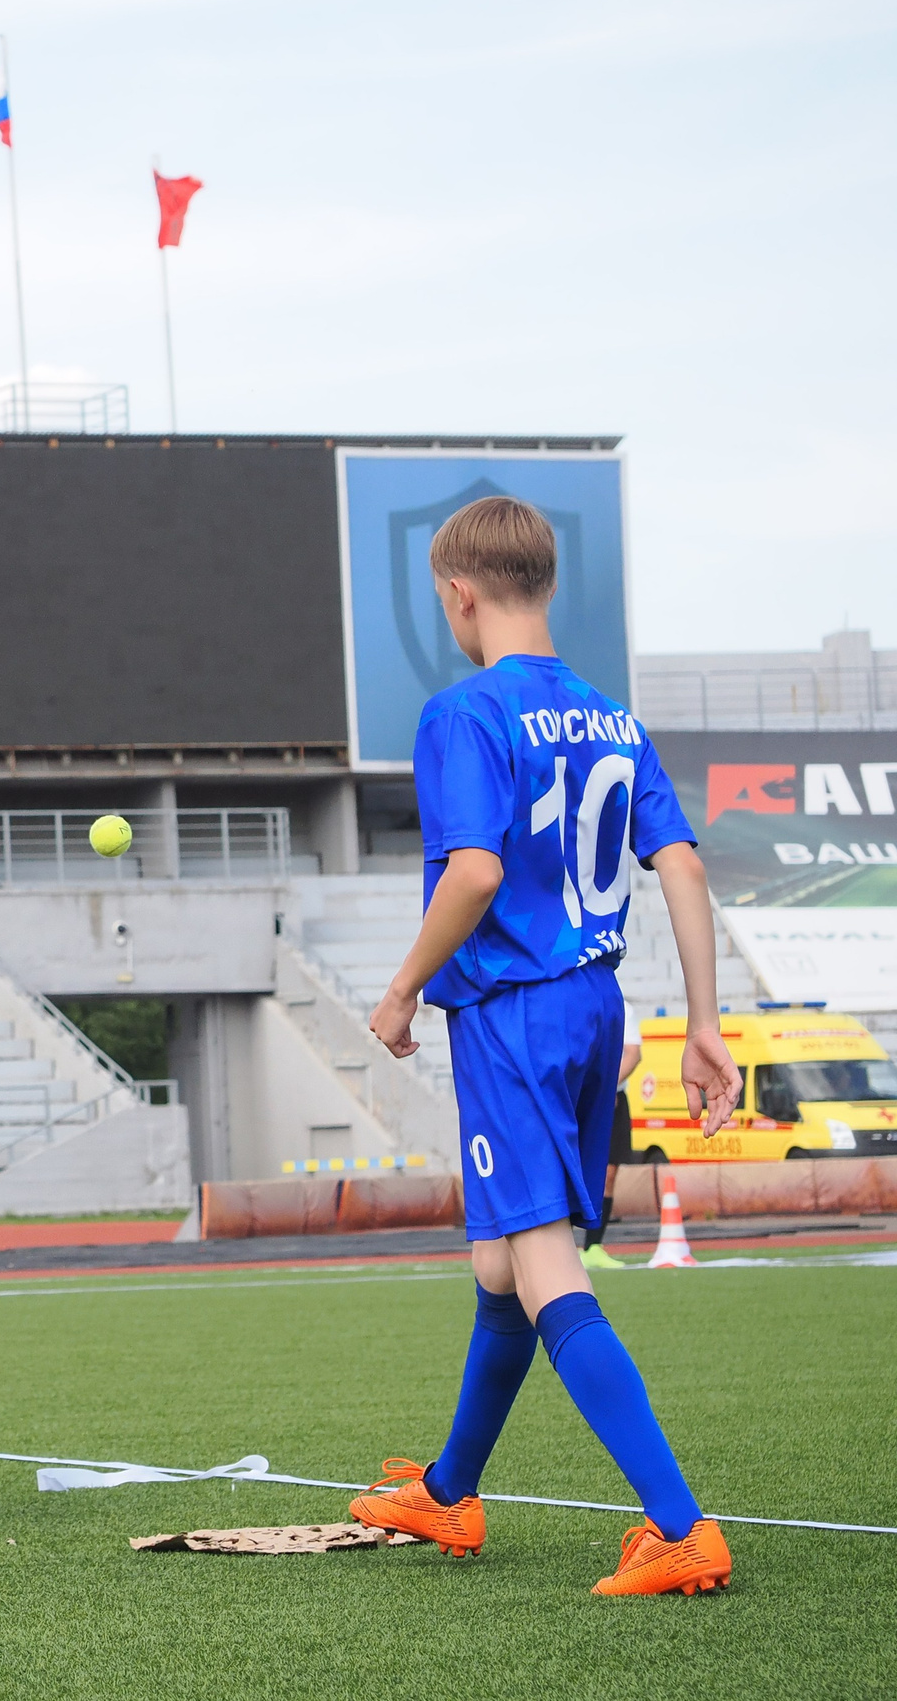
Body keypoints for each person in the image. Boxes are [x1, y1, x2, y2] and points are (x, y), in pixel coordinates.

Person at [355, 496, 742, 1596]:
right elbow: (682, 866)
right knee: (500, 1264)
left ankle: (680, 1527)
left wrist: (400, 990)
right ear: (546, 583)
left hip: (513, 1016)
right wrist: (702, 1024)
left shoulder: (462, 712)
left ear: (457, 595)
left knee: (541, 1264)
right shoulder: (612, 717)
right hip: (593, 1005)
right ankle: (447, 1491)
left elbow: (474, 871)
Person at [579, 1008, 644, 1270]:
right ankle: (554, 1245)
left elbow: (633, 1053)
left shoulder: (624, 1007)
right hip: (575, 1094)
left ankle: (592, 1246)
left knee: (608, 1173)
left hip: (611, 1098)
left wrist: (606, 1088)